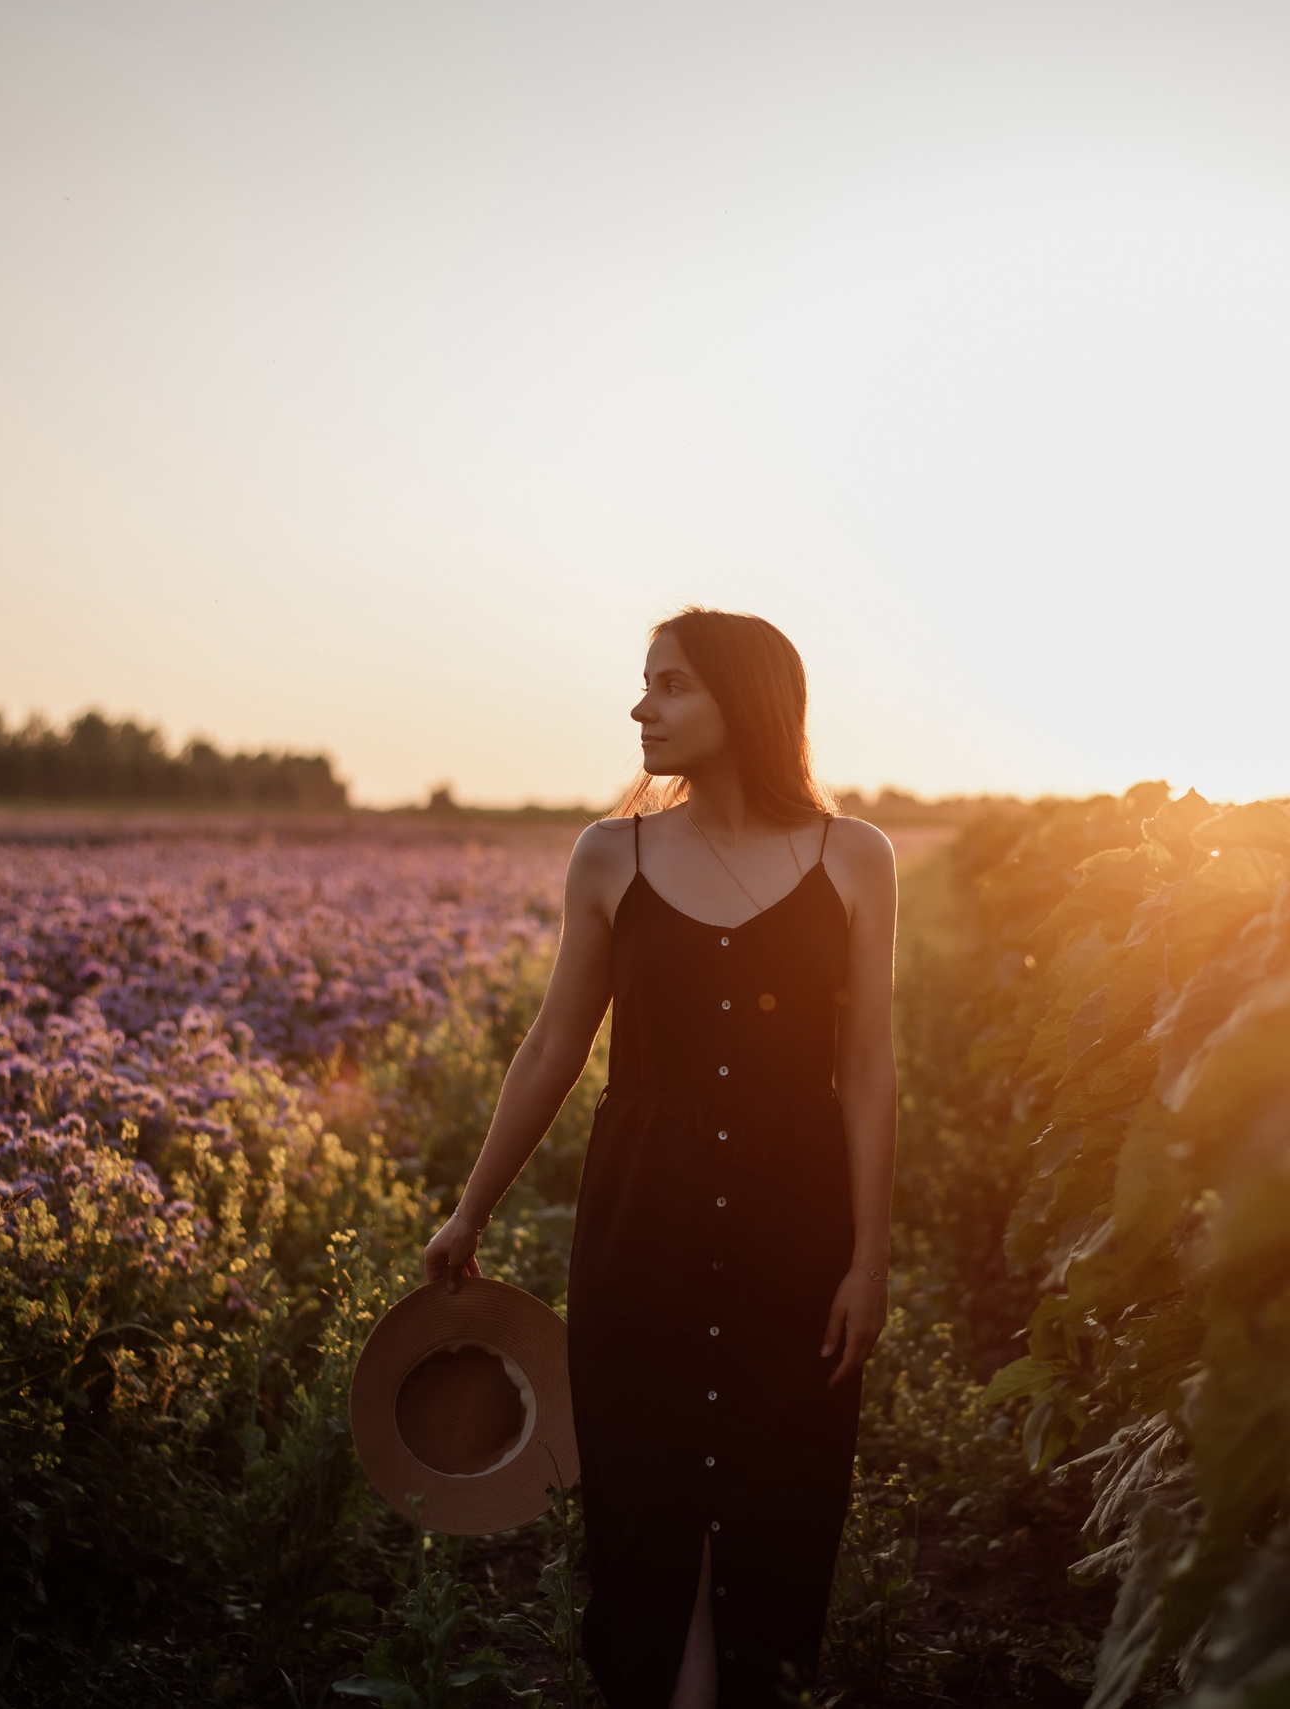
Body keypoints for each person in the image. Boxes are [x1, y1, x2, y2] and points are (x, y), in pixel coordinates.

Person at [419, 607, 899, 1709]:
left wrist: (868, 1256)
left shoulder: (853, 857)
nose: (642, 707)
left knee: (779, 1504)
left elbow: (869, 1068)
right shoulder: (610, 853)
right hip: (642, 1226)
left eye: (671, 684)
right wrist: (468, 1212)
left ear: (749, 699)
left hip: (796, 1225)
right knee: (648, 1505)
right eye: (644, 684)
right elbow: (552, 1047)